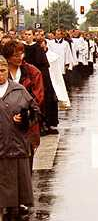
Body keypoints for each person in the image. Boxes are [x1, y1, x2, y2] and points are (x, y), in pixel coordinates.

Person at [0, 55, 40, 221]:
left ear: (7, 71)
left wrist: (24, 117)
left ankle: (14, 210)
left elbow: (35, 112)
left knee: (15, 195)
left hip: (16, 147)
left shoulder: (19, 90)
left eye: (2, 70)